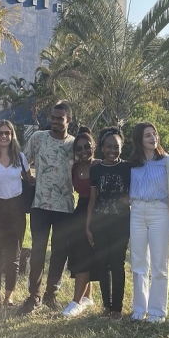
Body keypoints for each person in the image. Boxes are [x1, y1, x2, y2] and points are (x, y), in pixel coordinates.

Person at [17, 102, 76, 315]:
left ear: (69, 120)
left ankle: (52, 293)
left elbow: (85, 163)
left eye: (59, 118)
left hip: (65, 206)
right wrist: (28, 178)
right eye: (52, 117)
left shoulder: (74, 144)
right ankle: (34, 295)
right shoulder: (38, 138)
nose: (54, 121)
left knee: (60, 251)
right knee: (38, 251)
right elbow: (24, 159)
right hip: (40, 204)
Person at [129, 122, 169, 323]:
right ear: (139, 139)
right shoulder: (132, 164)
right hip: (137, 211)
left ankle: (157, 312)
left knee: (160, 263)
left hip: (160, 211)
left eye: (154, 134)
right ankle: (139, 309)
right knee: (138, 262)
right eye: (147, 135)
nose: (152, 137)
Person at [85, 127, 131, 320]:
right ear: (102, 148)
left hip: (121, 224)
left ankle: (117, 309)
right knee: (102, 264)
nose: (113, 150)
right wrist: (88, 226)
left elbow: (135, 192)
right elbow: (93, 199)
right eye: (109, 146)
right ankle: (106, 305)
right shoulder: (95, 169)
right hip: (99, 224)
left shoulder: (128, 168)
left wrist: (126, 200)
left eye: (117, 146)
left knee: (117, 264)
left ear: (122, 147)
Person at [0, 120, 27, 309]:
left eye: (7, 133)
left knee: (13, 255)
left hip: (15, 209)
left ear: (12, 135)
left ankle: (8, 297)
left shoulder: (20, 157)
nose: (3, 136)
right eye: (0, 133)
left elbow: (30, 180)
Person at [62, 129, 99, 318]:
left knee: (85, 255)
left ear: (94, 146)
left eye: (87, 146)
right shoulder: (75, 167)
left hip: (97, 213)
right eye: (79, 148)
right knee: (78, 254)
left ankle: (76, 301)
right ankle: (87, 297)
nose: (83, 150)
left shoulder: (101, 165)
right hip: (79, 211)